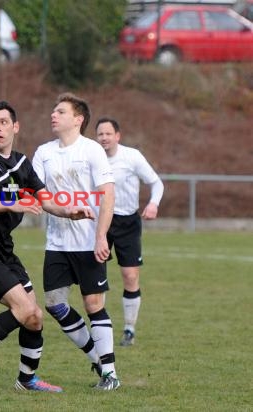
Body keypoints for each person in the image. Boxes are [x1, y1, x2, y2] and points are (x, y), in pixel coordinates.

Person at [0, 101, 95, 392]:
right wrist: (11, 204)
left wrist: (70, 212)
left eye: (3, 122)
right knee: (23, 308)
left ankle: (26, 379)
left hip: (3, 251)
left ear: (15, 127)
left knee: (34, 317)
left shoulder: (20, 163)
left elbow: (45, 199)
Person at [32, 93, 120, 390]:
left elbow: (108, 196)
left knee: (93, 303)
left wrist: (100, 237)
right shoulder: (44, 152)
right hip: (57, 243)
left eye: (60, 111)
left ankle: (110, 375)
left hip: (88, 243)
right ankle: (99, 357)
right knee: (54, 304)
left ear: (78, 119)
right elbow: (39, 196)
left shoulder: (92, 150)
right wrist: (62, 211)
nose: (53, 115)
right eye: (53, 111)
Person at [95, 117, 164, 346]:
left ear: (118, 136)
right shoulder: (91, 157)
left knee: (130, 275)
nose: (104, 138)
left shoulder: (132, 157)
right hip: (100, 222)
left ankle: (129, 329)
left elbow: (156, 183)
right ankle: (100, 327)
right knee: (97, 277)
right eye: (100, 134)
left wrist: (153, 203)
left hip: (128, 223)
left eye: (108, 133)